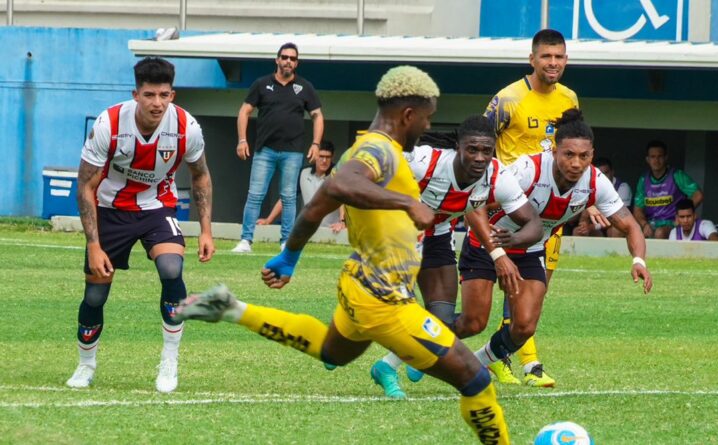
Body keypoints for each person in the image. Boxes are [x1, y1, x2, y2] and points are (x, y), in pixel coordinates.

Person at [175, 66, 512, 444]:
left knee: (331, 350)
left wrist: (290, 255)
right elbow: (343, 183)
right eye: (428, 117)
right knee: (477, 380)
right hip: (385, 301)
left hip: (358, 283)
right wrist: (406, 202)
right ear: (408, 115)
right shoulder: (378, 150)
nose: (427, 126)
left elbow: (318, 204)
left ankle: (232, 309)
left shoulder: (375, 149)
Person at [463, 109, 652, 382]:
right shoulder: (528, 170)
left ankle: (476, 362)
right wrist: (496, 251)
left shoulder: (595, 182)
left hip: (530, 250)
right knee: (473, 322)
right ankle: (400, 356)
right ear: (554, 150)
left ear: (592, 154)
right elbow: (474, 204)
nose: (576, 163)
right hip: (488, 244)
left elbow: (630, 225)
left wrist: (639, 261)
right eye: (569, 155)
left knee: (524, 326)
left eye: (584, 156)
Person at [67, 57, 215, 393]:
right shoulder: (110, 124)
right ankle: (85, 365)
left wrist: (205, 229)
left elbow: (201, 175)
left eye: (164, 95)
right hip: (109, 209)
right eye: (149, 95)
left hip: (157, 206)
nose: (157, 103)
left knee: (171, 268)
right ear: (136, 94)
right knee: (94, 294)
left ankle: (169, 360)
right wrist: (93, 244)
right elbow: (85, 185)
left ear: (172, 95)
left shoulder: (186, 128)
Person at [369, 115, 543, 399]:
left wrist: (510, 242)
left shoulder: (497, 176)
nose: (479, 157)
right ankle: (345, 335)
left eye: (487, 150)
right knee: (393, 309)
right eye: (472, 149)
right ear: (458, 148)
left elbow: (533, 222)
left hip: (435, 235)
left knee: (441, 322)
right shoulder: (425, 160)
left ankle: (386, 367)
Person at [482, 28, 580, 387]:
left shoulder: (569, 99)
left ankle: (508, 357)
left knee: (536, 291)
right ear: (532, 59)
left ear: (566, 60)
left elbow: (575, 147)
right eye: (546, 57)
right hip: (513, 210)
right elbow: (480, 142)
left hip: (552, 212)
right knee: (517, 287)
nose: (552, 63)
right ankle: (527, 363)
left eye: (559, 57)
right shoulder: (508, 99)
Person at [233, 42, 325, 253]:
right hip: (264, 150)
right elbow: (244, 111)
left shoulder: (304, 87)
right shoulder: (261, 83)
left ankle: (286, 242)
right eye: (284, 57)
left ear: (296, 63)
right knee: (255, 194)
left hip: (292, 152)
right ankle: (245, 240)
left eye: (292, 59)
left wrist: (316, 144)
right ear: (277, 60)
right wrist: (242, 140)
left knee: (289, 197)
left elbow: (318, 115)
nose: (288, 61)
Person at [257, 140, 346, 234]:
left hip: (332, 230)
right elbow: (286, 198)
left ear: (332, 157)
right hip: (307, 230)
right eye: (321, 156)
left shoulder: (337, 174)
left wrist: (342, 222)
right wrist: (268, 220)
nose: (324, 161)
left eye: (328, 157)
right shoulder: (304, 173)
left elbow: (344, 200)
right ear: (315, 155)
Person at [633, 140, 703, 240]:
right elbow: (637, 210)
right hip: (650, 223)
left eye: (660, 156)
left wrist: (681, 215)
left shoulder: (676, 175)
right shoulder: (644, 179)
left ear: (666, 158)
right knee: (619, 231)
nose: (656, 161)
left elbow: (698, 195)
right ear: (647, 159)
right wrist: (644, 224)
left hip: (672, 223)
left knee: (659, 233)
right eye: (653, 157)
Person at [574, 157, 632, 237]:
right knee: (578, 231)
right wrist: (583, 224)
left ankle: (614, 250)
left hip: (614, 225)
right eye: (600, 174)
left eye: (606, 173)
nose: (603, 177)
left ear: (612, 172)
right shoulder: (590, 186)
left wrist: (592, 227)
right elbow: (585, 212)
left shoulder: (622, 187)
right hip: (597, 226)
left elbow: (620, 219)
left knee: (614, 231)